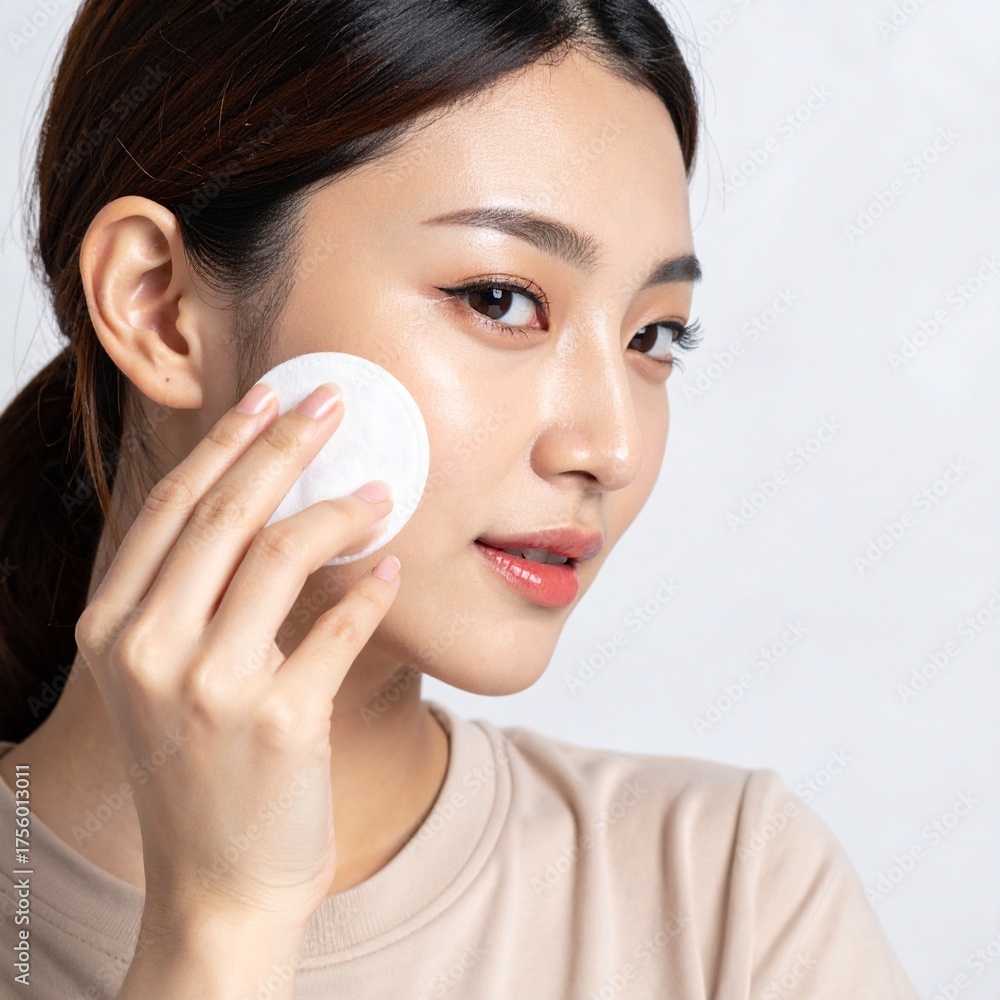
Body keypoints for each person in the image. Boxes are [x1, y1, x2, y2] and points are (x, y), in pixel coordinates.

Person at [0, 1, 919, 997]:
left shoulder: (730, 897)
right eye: (499, 298)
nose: (610, 448)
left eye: (652, 337)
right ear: (159, 308)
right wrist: (222, 926)